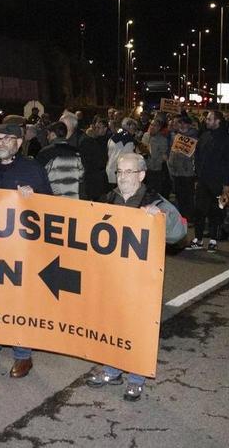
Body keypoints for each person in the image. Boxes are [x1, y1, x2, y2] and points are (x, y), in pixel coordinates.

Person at [86, 152, 186, 401]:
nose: (123, 177)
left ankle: (136, 378)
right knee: (110, 325)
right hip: (111, 279)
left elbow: (178, 233)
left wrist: (160, 218)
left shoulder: (155, 202)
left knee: (138, 329)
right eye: (119, 172)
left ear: (141, 175)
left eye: (129, 172)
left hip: (140, 282)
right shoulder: (108, 199)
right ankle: (112, 369)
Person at [0, 122, 52, 379]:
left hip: (21, 251)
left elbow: (52, 207)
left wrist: (34, 197)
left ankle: (22, 355)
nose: (0, 143)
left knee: (18, 303)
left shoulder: (32, 168)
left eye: (6, 139)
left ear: (18, 142)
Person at [189, 111, 229, 252]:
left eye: (210, 119)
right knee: (199, 209)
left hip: (219, 183)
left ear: (218, 121)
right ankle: (197, 239)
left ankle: (213, 240)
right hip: (203, 181)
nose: (206, 120)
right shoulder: (204, 136)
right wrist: (197, 174)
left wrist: (227, 183)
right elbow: (197, 156)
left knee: (216, 211)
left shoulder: (227, 139)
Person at [36, 121, 84, 199]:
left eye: (48, 134)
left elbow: (39, 177)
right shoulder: (76, 152)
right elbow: (81, 175)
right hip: (73, 198)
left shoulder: (45, 152)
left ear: (53, 134)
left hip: (53, 200)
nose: (47, 137)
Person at [168, 115, 198, 220]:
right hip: (176, 170)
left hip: (187, 171)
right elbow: (172, 151)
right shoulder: (176, 135)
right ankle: (181, 216)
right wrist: (171, 164)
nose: (182, 125)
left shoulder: (194, 137)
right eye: (180, 123)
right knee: (179, 195)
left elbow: (192, 154)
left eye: (184, 123)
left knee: (188, 196)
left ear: (189, 125)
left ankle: (189, 217)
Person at [79, 118, 111, 200]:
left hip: (100, 176)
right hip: (92, 176)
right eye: (96, 127)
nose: (96, 130)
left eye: (99, 128)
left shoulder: (108, 141)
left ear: (105, 129)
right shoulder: (92, 140)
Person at [105, 117, 138, 188]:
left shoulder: (112, 137)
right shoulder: (129, 141)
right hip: (120, 175)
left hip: (109, 171)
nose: (135, 131)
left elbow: (108, 154)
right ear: (130, 127)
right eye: (134, 129)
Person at [141, 118, 169, 197]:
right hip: (144, 168)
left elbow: (164, 157)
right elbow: (141, 148)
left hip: (155, 171)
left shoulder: (163, 140)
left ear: (159, 128)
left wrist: (156, 160)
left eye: (155, 125)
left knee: (153, 194)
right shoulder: (145, 135)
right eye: (151, 125)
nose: (152, 127)